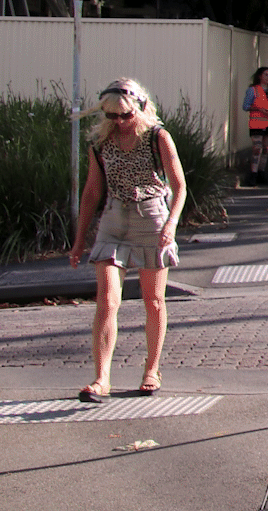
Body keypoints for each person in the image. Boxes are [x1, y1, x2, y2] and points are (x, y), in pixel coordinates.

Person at [67, 78, 186, 402]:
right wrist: (79, 240)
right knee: (106, 301)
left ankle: (152, 368)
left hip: (151, 217)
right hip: (114, 220)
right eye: (112, 116)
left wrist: (171, 225)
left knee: (153, 300)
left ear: (140, 109)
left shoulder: (158, 137)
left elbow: (179, 186)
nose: (118, 122)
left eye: (125, 115)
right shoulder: (101, 143)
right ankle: (101, 378)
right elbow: (92, 191)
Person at [241, 66, 268, 185]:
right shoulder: (253, 90)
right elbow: (245, 106)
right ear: (260, 76)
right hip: (257, 124)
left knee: (266, 149)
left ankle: (261, 172)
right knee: (257, 148)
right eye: (266, 75)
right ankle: (253, 173)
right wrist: (258, 109)